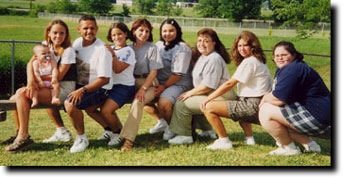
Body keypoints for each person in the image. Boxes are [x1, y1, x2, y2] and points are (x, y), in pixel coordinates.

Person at [3, 19, 76, 152]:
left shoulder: (68, 51)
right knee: (19, 93)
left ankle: (23, 136)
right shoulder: (44, 46)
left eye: (62, 33)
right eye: (55, 33)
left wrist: (36, 79)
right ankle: (20, 133)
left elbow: (58, 76)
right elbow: (30, 64)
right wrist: (31, 82)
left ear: (66, 35)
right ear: (48, 33)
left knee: (22, 94)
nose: (58, 36)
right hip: (46, 85)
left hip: (62, 87)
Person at [200, 31, 272, 150]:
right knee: (238, 101)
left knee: (209, 107)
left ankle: (223, 141)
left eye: (245, 45)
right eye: (239, 46)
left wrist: (208, 98)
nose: (242, 49)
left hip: (252, 105)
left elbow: (229, 83)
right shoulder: (258, 60)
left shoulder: (250, 62)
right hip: (258, 102)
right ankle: (249, 139)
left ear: (253, 46)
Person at [258, 41, 331, 156]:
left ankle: (289, 149)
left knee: (265, 111)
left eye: (284, 55)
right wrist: (268, 97)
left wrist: (265, 98)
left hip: (319, 117)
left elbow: (278, 99)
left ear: (293, 55)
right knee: (278, 116)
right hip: (320, 115)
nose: (280, 58)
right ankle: (311, 146)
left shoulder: (293, 69)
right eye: (277, 55)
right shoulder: (289, 67)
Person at [166, 28, 232, 145]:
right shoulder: (204, 56)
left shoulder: (214, 59)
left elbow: (208, 85)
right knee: (193, 101)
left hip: (222, 97)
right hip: (211, 95)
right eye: (199, 40)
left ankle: (184, 135)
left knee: (182, 103)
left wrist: (189, 93)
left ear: (214, 43)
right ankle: (208, 130)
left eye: (206, 41)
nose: (202, 44)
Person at [64, 15, 113, 153]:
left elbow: (104, 79)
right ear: (79, 29)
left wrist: (82, 90)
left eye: (92, 28)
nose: (89, 31)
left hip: (101, 88)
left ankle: (82, 138)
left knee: (70, 103)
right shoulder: (77, 43)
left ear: (97, 29)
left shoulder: (102, 49)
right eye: (85, 28)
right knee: (54, 97)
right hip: (82, 86)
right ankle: (60, 131)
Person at [116, 18, 163, 151]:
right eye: (141, 30)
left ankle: (128, 141)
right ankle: (115, 132)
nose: (144, 33)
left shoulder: (152, 48)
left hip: (149, 83)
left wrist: (143, 89)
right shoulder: (127, 47)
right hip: (130, 82)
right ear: (134, 31)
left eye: (147, 31)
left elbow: (154, 72)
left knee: (138, 101)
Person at [144, 19, 193, 140]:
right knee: (142, 99)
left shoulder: (182, 48)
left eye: (171, 31)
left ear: (178, 31)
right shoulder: (158, 45)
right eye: (164, 31)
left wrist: (163, 87)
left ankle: (174, 128)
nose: (167, 33)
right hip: (161, 83)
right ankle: (162, 122)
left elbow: (177, 74)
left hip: (179, 83)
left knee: (164, 103)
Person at [95, 21, 136, 147]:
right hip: (109, 84)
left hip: (124, 86)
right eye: (113, 35)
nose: (116, 37)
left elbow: (118, 69)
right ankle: (108, 129)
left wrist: (112, 54)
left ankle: (118, 133)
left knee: (106, 110)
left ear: (125, 34)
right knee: (89, 107)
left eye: (119, 34)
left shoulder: (128, 51)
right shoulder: (110, 48)